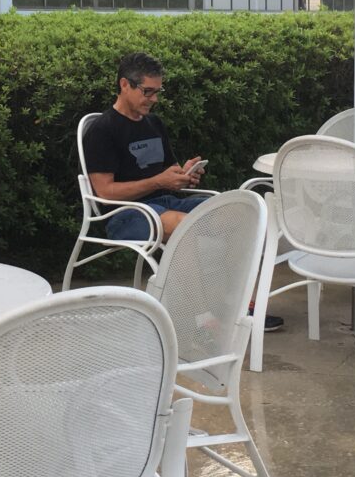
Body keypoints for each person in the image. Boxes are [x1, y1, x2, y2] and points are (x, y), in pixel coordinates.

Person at [83, 51, 284, 331]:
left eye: (157, 92)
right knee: (184, 227)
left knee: (242, 216)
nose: (153, 99)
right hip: (124, 214)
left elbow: (169, 172)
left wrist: (185, 175)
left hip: (165, 201)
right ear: (124, 85)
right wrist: (158, 182)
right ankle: (203, 321)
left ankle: (239, 307)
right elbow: (105, 192)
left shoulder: (154, 124)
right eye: (148, 91)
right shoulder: (102, 130)